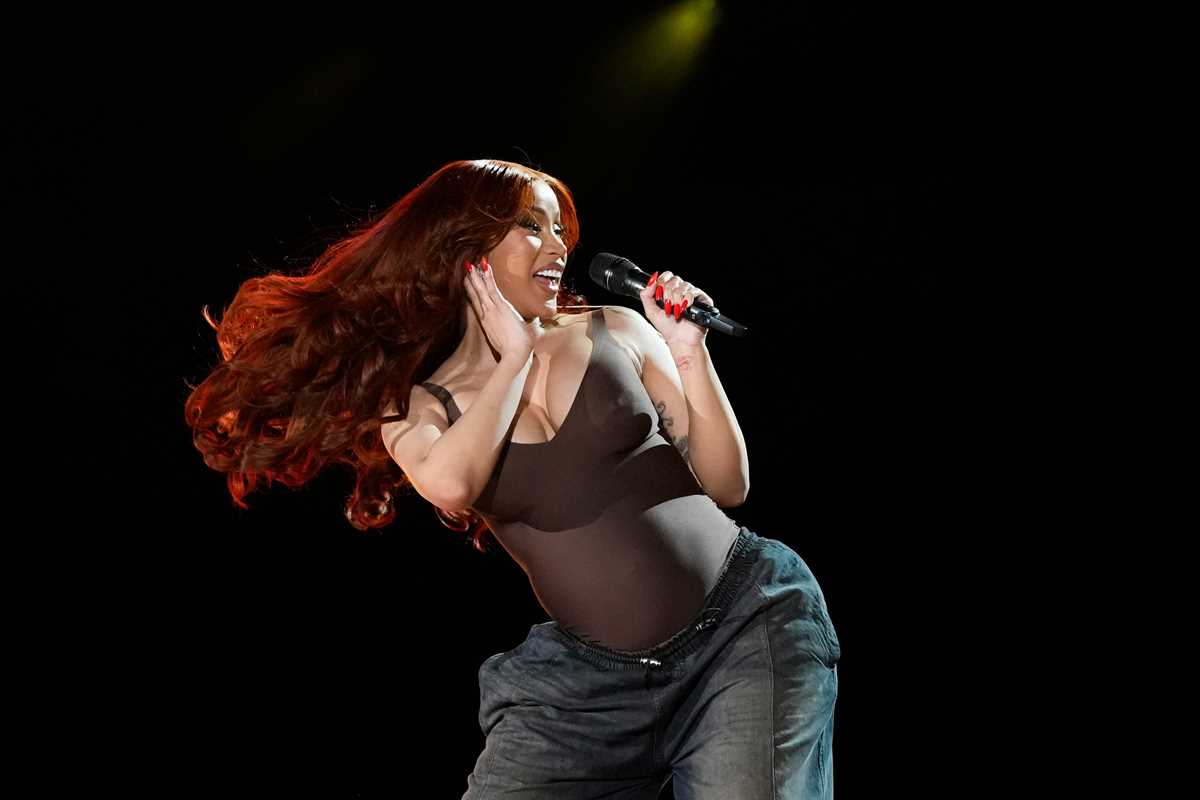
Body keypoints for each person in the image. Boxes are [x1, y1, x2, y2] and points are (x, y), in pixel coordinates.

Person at [184, 159, 840, 798]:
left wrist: (689, 354)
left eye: (559, 229)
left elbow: (726, 485)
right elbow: (451, 486)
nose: (558, 246)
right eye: (532, 226)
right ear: (465, 248)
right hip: (587, 691)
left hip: (744, 629)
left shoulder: (614, 329)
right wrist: (515, 357)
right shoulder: (418, 407)